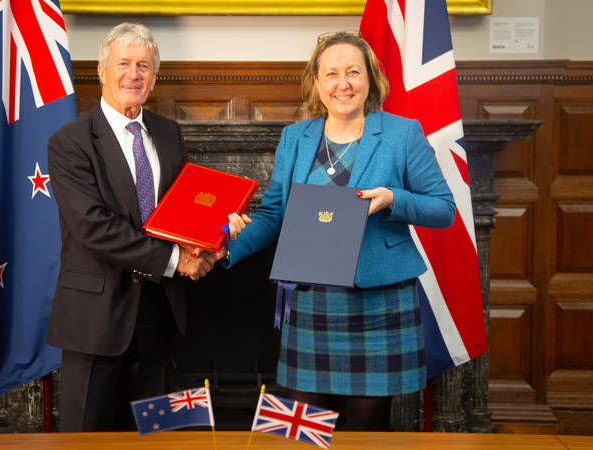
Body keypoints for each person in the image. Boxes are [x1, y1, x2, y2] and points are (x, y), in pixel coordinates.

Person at [223, 31, 455, 430]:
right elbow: (274, 213)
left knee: (367, 429)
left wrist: (393, 199)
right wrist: (224, 247)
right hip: (313, 301)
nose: (342, 84)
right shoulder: (295, 138)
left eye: (353, 72)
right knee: (304, 427)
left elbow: (444, 209)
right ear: (316, 82)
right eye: (331, 73)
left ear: (371, 79)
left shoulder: (402, 134)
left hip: (379, 299)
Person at [46, 23, 218, 432]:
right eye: (122, 63)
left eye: (143, 65)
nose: (133, 74)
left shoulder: (167, 133)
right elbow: (93, 227)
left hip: (160, 312)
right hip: (96, 315)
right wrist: (177, 260)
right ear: (102, 71)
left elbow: (184, 212)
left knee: (153, 434)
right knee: (85, 435)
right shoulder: (70, 141)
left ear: (154, 78)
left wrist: (215, 237)